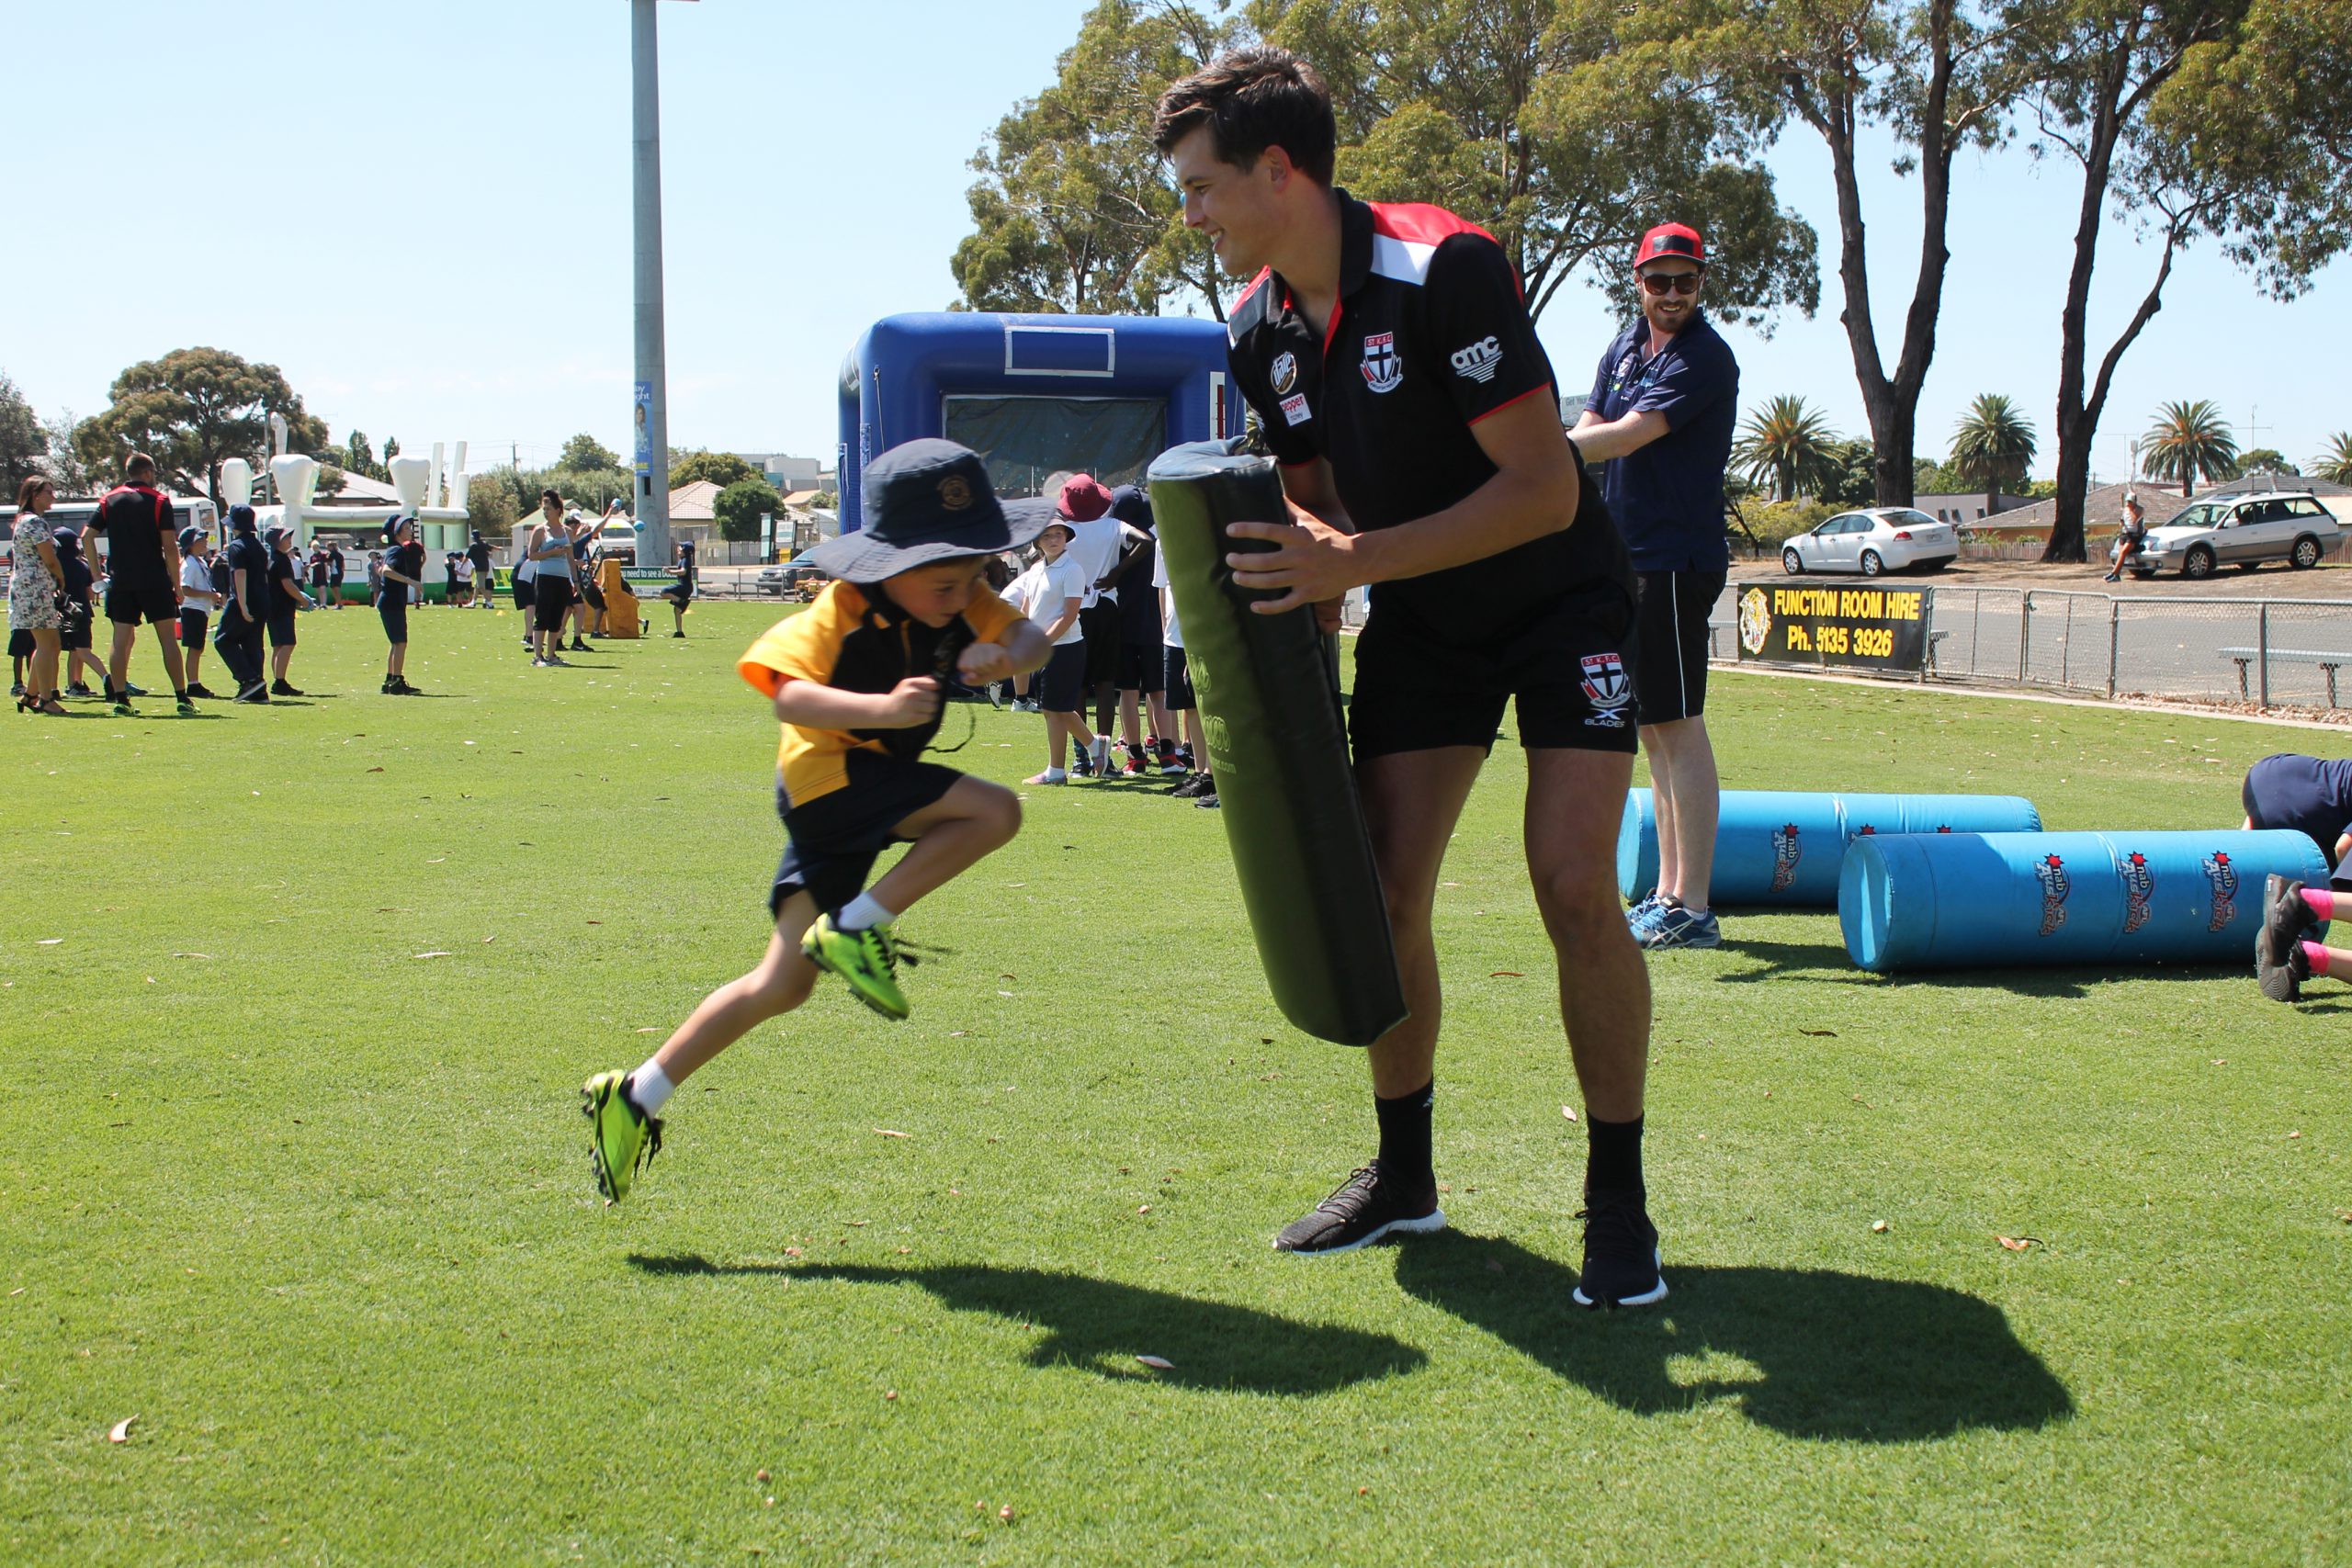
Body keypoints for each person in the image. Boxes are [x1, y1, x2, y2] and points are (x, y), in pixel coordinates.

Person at [1155, 48, 1665, 1304]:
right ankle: (1405, 1177)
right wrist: (1286, 655)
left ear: (1279, 170)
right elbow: (1316, 510)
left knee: (1571, 883)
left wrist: (1357, 561)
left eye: (1203, 186)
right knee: (1382, 896)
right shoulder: (1257, 330)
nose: (1192, 214)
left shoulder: (1445, 269)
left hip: (1563, 600)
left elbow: (1544, 491)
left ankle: (1617, 1199)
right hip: (1428, 617)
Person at [578, 439, 1053, 1203]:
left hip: (853, 795)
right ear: (888, 566)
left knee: (781, 984)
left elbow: (1027, 634)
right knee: (994, 809)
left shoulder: (959, 596)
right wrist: (882, 710)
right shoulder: (841, 610)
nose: (962, 593)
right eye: (945, 580)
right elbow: (785, 693)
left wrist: (1010, 656)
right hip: (831, 782)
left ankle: (635, 1093)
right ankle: (857, 926)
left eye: (974, 576)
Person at [1570, 221, 1739, 953]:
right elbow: (1593, 420)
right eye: (1659, 280)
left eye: (1686, 280)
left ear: (1701, 283)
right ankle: (1668, 892)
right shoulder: (1625, 347)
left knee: (1679, 725)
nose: (1672, 293)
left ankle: (1692, 905)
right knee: (1652, 728)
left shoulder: (1704, 356)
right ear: (1637, 281)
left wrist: (1538, 452)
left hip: (1674, 560)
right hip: (1628, 557)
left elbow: (1631, 432)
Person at [94, 452, 194, 716]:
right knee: (168, 640)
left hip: (121, 580)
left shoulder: (108, 499)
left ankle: (120, 699)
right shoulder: (159, 500)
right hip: (154, 579)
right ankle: (182, 698)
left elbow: (86, 536)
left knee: (119, 641)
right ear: (148, 473)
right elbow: (169, 547)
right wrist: (177, 585)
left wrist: (96, 575)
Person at [1056, 473, 1127, 774]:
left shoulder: (1064, 530)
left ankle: (1081, 760)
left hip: (1074, 608)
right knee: (1105, 684)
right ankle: (1105, 759)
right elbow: (1145, 541)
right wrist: (1116, 573)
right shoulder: (1113, 526)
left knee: (1078, 686)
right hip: (1106, 607)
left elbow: (1038, 554)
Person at [1102, 484, 1173, 774]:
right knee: (1158, 692)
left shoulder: (1113, 540)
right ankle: (1168, 755)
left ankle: (1135, 757)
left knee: (1129, 694)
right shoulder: (1161, 539)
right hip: (1156, 625)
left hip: (1122, 624)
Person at [1024, 518, 1098, 785]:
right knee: (1053, 709)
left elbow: (1069, 615)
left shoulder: (1072, 569)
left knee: (1056, 709)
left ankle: (1056, 771)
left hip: (1065, 648)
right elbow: (1027, 607)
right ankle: (1096, 748)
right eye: (1047, 536)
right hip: (1042, 648)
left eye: (1058, 534)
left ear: (1066, 538)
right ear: (1037, 542)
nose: (1054, 540)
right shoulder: (1035, 570)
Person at [1151, 521, 1215, 800]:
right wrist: (1165, 630)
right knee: (1189, 707)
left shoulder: (1204, 534)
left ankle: (1212, 774)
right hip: (1174, 637)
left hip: (1201, 636)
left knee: (1208, 706)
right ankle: (1201, 773)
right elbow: (1161, 587)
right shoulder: (1161, 541)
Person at [9, 476, 69, 716]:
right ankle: (46, 699)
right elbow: (49, 558)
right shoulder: (35, 522)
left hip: (30, 588)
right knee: (46, 643)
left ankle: (31, 695)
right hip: (35, 588)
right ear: (35, 495)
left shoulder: (23, 520)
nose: (53, 496)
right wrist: (61, 578)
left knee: (51, 642)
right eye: (48, 492)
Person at [212, 506, 272, 702]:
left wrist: (242, 605)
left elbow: (240, 574)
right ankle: (257, 690)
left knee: (223, 640)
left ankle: (250, 679)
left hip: (243, 600)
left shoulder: (236, 546)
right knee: (252, 643)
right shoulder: (259, 546)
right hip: (262, 599)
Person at [264, 525, 315, 694]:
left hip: (271, 606)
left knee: (278, 645)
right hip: (281, 607)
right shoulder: (282, 560)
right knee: (287, 643)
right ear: (277, 541)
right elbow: (287, 584)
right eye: (286, 537)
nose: (289, 540)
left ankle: (278, 680)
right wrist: (302, 600)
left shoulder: (270, 558)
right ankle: (279, 682)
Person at [175, 525, 224, 699]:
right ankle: (193, 683)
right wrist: (208, 595)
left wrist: (212, 595)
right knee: (195, 647)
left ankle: (194, 682)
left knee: (198, 647)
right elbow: (185, 589)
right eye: (201, 539)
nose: (205, 542)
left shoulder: (199, 562)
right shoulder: (189, 564)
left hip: (200, 609)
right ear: (192, 544)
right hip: (192, 609)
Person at [379, 517, 426, 694]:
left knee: (396, 643)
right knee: (400, 642)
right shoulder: (397, 550)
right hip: (392, 602)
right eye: (406, 528)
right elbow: (386, 571)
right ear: (397, 532)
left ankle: (390, 680)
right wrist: (410, 581)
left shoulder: (395, 549)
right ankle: (397, 682)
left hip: (391, 602)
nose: (410, 531)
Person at [526, 498, 575, 666]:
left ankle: (552, 655)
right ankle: (538, 656)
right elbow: (532, 555)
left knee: (556, 617)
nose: (546, 512)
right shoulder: (540, 530)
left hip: (563, 578)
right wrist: (552, 552)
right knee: (543, 616)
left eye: (549, 509)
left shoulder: (567, 531)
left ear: (558, 510)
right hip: (545, 577)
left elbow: (570, 558)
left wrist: (575, 581)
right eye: (544, 509)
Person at [2105, 494, 2147, 582]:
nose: (2128, 504)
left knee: (2124, 552)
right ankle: (2117, 575)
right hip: (2125, 533)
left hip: (2134, 535)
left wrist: (2130, 510)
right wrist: (2122, 523)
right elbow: (2123, 520)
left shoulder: (2139, 509)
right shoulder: (2125, 510)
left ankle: (2113, 573)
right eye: (2127, 502)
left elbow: (2134, 520)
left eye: (2130, 502)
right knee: (2121, 553)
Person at [661, 536, 696, 637]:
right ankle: (679, 632)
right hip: (687, 587)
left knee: (663, 592)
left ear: (684, 550)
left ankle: (682, 601)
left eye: (681, 547)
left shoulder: (685, 560)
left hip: (684, 586)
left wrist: (669, 572)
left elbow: (683, 572)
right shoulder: (684, 559)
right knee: (676, 610)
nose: (678, 549)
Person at [467, 530, 495, 611]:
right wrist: (498, 548)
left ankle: (489, 602)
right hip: (485, 567)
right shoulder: (484, 544)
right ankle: (473, 602)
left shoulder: (474, 546)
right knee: (477, 586)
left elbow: (468, 556)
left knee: (481, 586)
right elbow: (491, 547)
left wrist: (462, 565)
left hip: (479, 568)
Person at [328, 540, 347, 608]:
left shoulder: (333, 554)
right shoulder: (340, 554)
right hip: (338, 573)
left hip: (336, 572)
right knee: (334, 588)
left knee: (336, 588)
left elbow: (329, 562)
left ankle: (339, 603)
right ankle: (338, 603)